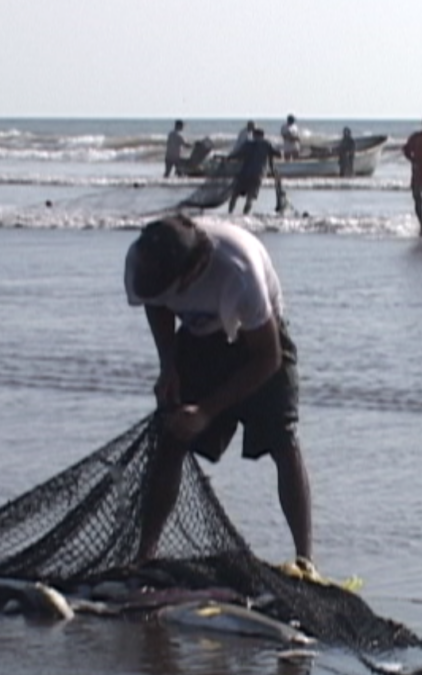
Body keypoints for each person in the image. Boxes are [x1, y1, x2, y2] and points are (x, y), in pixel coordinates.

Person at [124, 214, 316, 578]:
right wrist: (168, 365)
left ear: (194, 271)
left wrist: (207, 411)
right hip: (199, 340)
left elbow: (268, 358)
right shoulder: (143, 260)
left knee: (283, 440)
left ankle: (305, 559)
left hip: (257, 339)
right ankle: (144, 555)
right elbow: (156, 303)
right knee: (170, 437)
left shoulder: (238, 273)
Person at [227, 128, 280, 215]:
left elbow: (237, 155)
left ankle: (230, 213)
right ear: (263, 136)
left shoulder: (248, 144)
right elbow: (278, 153)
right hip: (258, 174)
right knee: (250, 197)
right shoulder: (266, 144)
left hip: (244, 173)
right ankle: (245, 214)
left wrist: (228, 157)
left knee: (235, 195)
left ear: (254, 135)